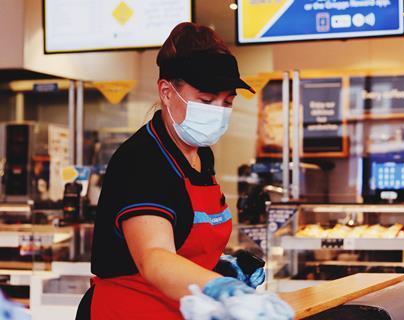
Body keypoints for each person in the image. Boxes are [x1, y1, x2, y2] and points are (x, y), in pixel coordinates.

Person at [75, 22, 286, 319]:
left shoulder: (201, 155)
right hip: (128, 311)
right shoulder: (142, 160)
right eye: (205, 100)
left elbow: (185, 243)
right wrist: (220, 287)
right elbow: (155, 257)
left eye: (227, 102)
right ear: (166, 91)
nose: (218, 111)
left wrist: (221, 265)